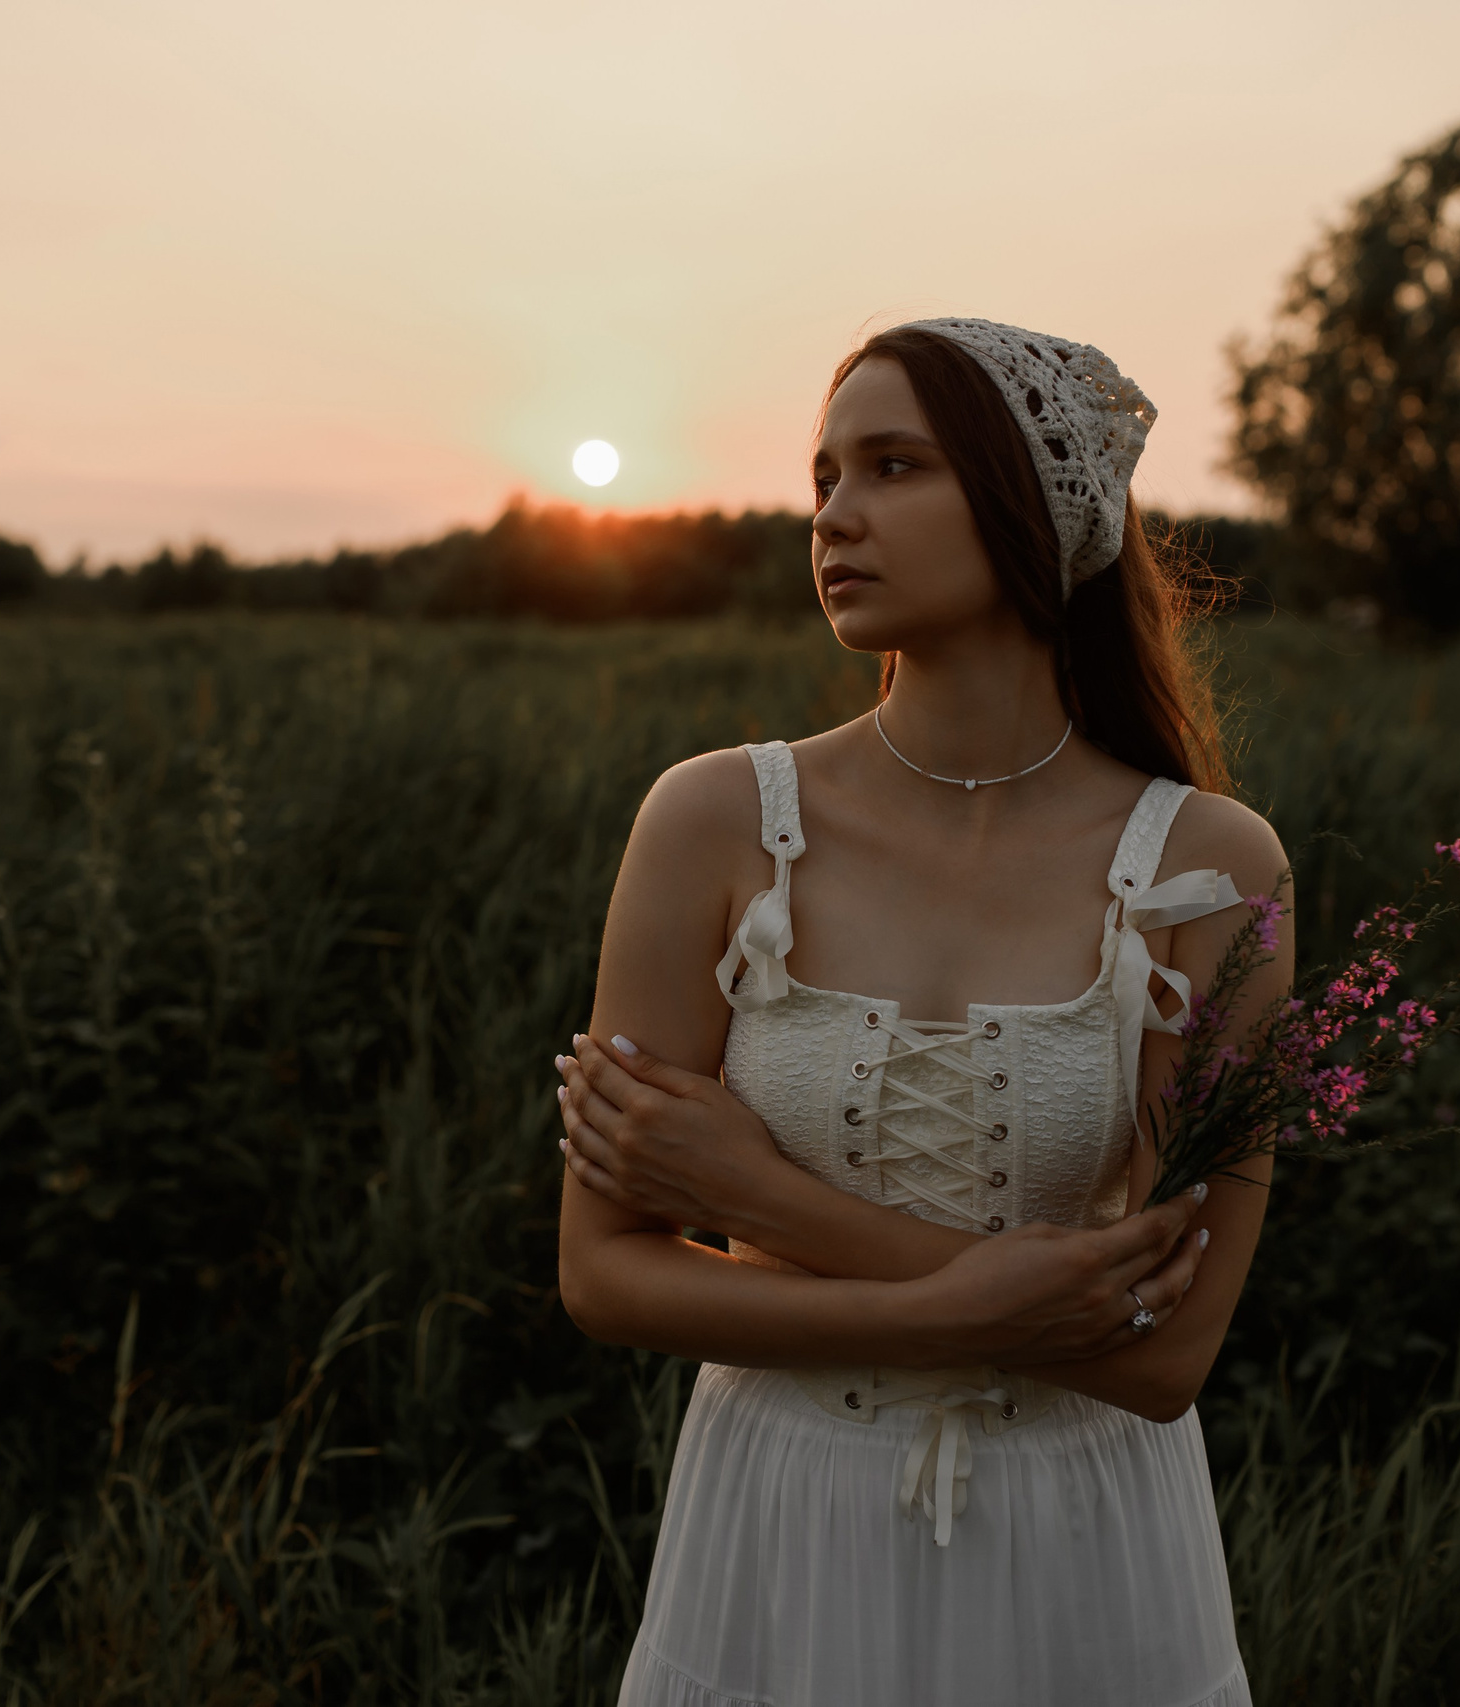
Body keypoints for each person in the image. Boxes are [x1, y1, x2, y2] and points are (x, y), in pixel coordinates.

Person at [553, 318, 1292, 1707]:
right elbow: (602, 1273)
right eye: (824, 476)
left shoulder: (1213, 868)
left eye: (893, 467)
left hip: (1082, 1531)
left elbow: (1169, 1356)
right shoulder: (715, 821)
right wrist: (961, 1304)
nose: (835, 516)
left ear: (1034, 505)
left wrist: (761, 1200)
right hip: (785, 1514)